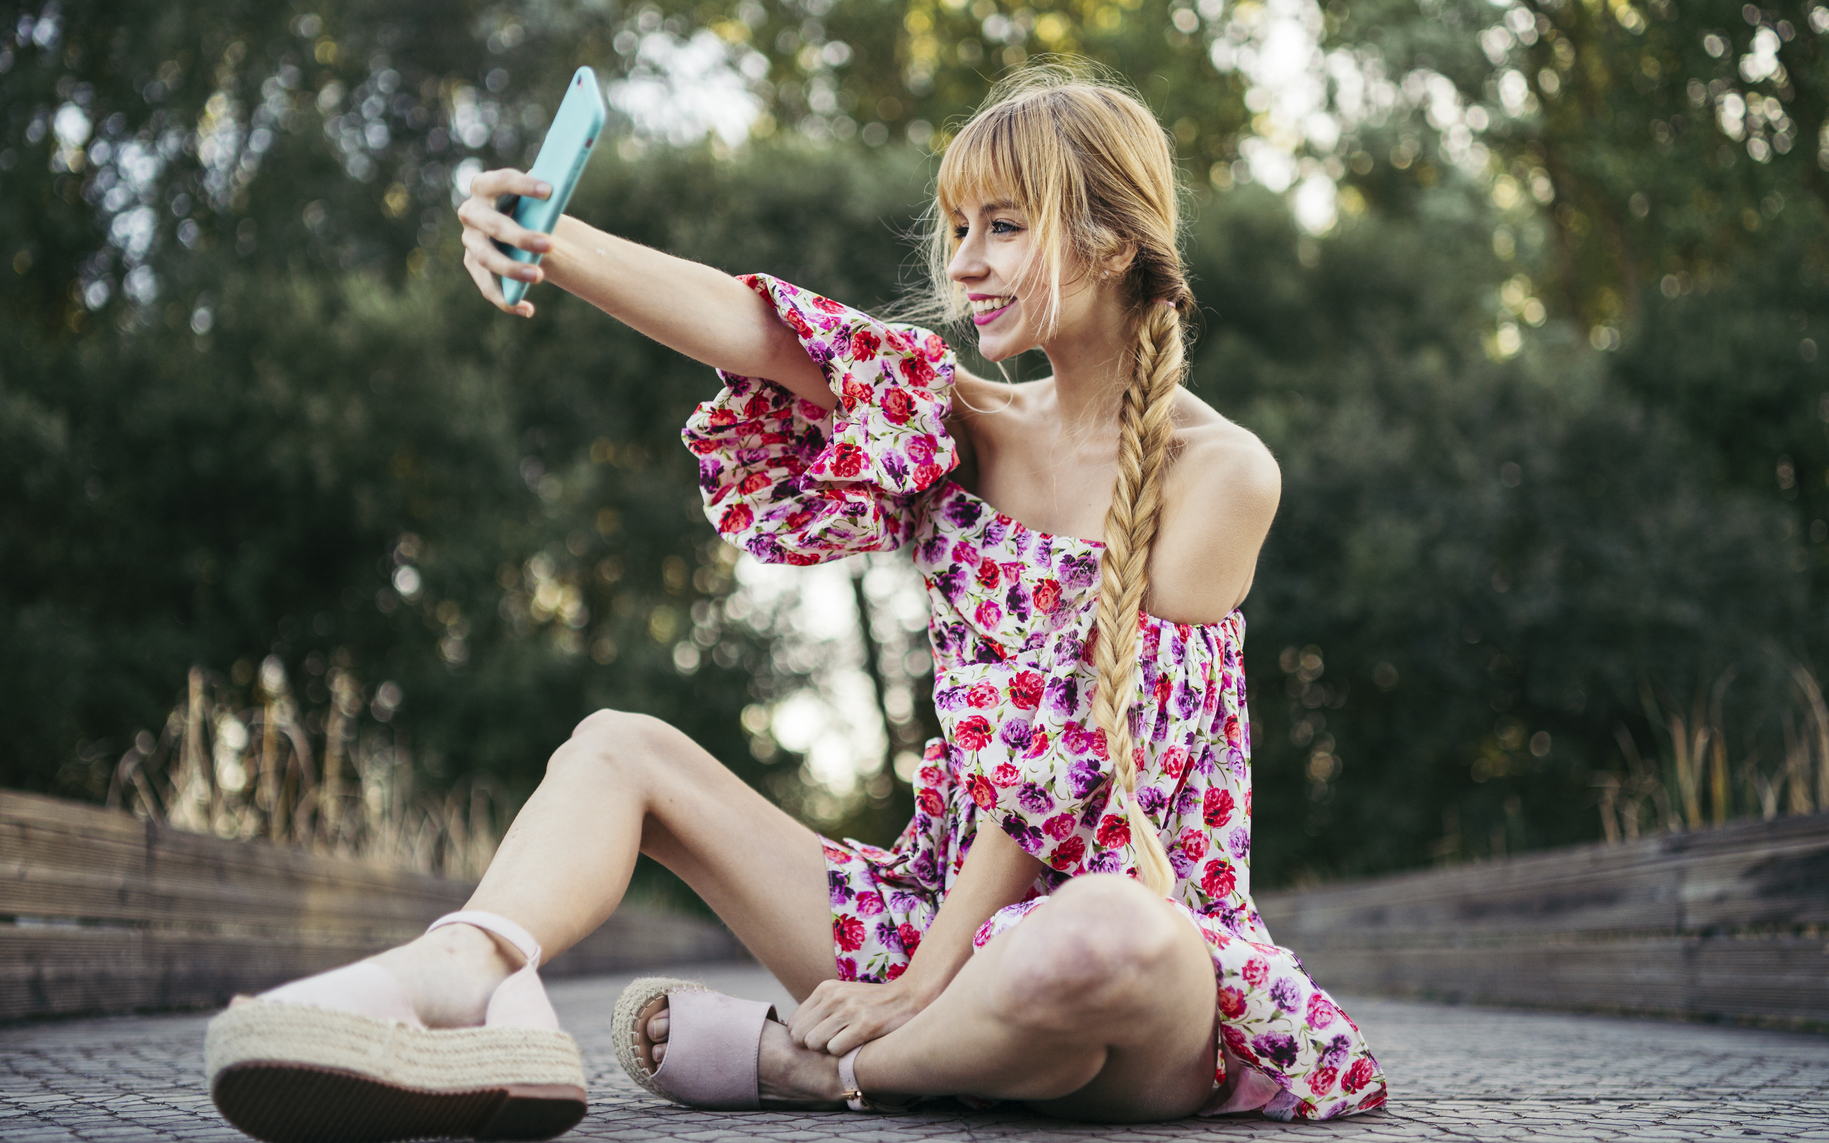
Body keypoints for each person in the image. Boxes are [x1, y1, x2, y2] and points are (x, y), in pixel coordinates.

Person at [204, 65, 1387, 1143]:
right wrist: (550, 240)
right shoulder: (959, 420)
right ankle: (464, 970)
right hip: (932, 916)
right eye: (957, 230)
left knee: (1107, 934)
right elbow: (754, 324)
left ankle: (813, 1072)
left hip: (1115, 968)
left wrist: (922, 981)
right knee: (618, 749)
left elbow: (1076, 767)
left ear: (1114, 240)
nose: (964, 263)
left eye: (1003, 227)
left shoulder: (1222, 472)